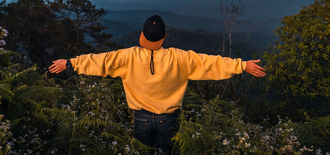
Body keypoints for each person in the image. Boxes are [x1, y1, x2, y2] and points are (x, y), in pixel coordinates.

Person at [49, 15, 266, 153]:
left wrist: (70, 63)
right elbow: (209, 62)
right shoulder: (179, 58)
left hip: (141, 118)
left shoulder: (128, 57)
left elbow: (99, 61)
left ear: (142, 36)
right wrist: (242, 65)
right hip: (168, 119)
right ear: (163, 38)